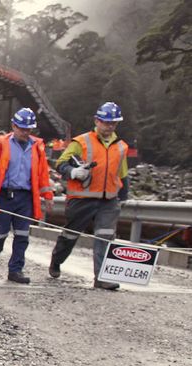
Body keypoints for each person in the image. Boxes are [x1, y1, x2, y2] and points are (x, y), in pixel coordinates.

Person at [49, 101, 129, 290]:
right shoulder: (81, 142)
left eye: (113, 123)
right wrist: (73, 172)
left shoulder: (121, 147)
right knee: (70, 236)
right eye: (106, 122)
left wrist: (124, 195)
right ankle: (56, 260)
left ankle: (101, 277)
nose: (109, 127)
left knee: (105, 237)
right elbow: (60, 164)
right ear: (97, 121)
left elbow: (123, 174)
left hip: (108, 201)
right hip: (81, 199)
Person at [0, 108, 54, 284]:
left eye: (28, 129)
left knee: (22, 235)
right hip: (4, 196)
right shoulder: (1, 145)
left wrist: (48, 195)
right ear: (13, 126)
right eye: (22, 129)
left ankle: (16, 270)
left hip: (25, 198)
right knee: (0, 233)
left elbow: (42, 174)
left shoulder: (37, 148)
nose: (25, 133)